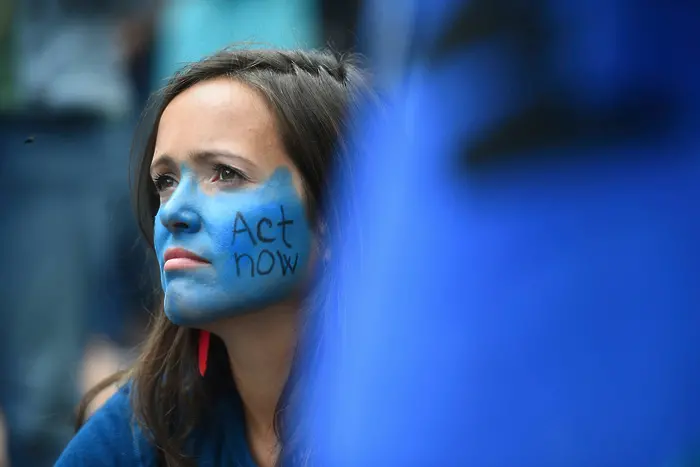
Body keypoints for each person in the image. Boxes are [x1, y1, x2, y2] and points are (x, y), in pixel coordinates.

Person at [55, 47, 371, 467]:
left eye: (225, 173)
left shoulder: (418, 418)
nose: (171, 212)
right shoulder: (155, 416)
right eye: (165, 181)